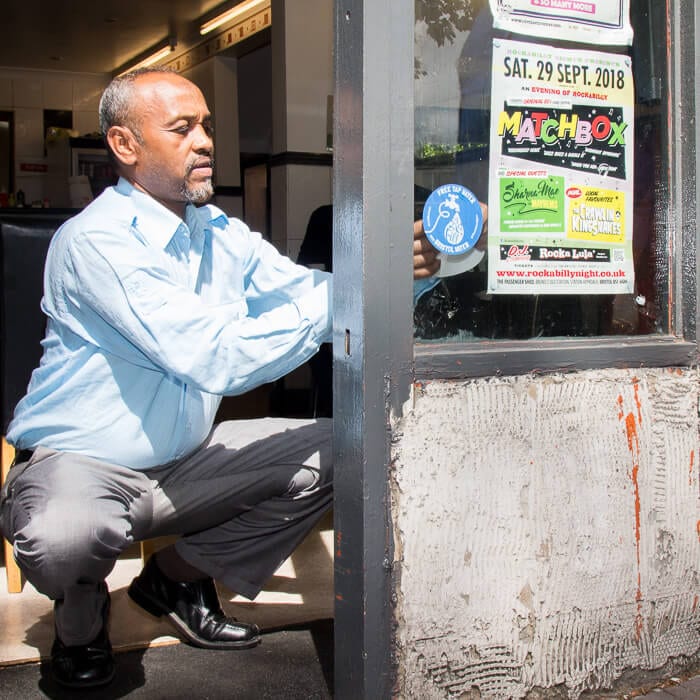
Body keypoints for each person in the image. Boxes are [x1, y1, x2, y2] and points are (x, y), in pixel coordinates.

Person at [0, 67, 440, 689]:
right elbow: (210, 356)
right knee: (68, 537)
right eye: (182, 129)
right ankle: (80, 618)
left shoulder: (219, 234)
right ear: (125, 146)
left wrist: (404, 273)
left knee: (348, 446)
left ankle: (174, 580)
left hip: (183, 462)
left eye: (207, 125)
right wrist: (354, 297)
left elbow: (313, 293)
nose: (205, 141)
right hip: (82, 464)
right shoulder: (96, 243)